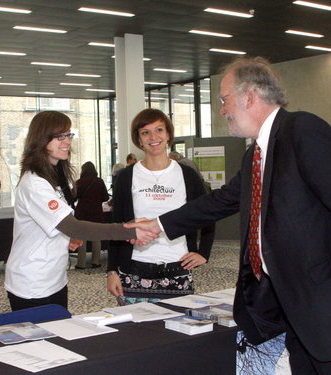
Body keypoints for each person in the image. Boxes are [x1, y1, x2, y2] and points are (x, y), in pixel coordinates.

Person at [126, 57, 331, 374]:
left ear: (249, 96)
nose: (222, 110)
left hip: (318, 302)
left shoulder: (301, 130)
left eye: (224, 100)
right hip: (288, 304)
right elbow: (221, 201)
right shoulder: (256, 154)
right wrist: (159, 224)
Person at [4, 111, 156, 311]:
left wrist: (66, 237)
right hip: (32, 282)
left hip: (54, 278)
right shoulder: (34, 183)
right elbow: (73, 226)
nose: (67, 141)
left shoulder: (53, 179)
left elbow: (56, 224)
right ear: (41, 140)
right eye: (60, 136)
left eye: (68, 135)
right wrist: (130, 230)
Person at [107, 109, 214, 305]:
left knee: (178, 330)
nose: (153, 137)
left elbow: (207, 214)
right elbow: (118, 225)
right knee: (134, 332)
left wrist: (203, 252)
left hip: (178, 269)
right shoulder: (126, 176)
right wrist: (111, 270)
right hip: (134, 270)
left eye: (159, 130)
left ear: (168, 135)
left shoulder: (187, 174)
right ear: (139, 139)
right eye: (145, 132)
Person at [74, 161, 109, 269]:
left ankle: (81, 264)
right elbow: (106, 198)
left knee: (81, 239)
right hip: (96, 213)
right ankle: (95, 262)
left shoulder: (79, 182)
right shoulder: (99, 181)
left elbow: (73, 197)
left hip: (82, 213)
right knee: (96, 238)